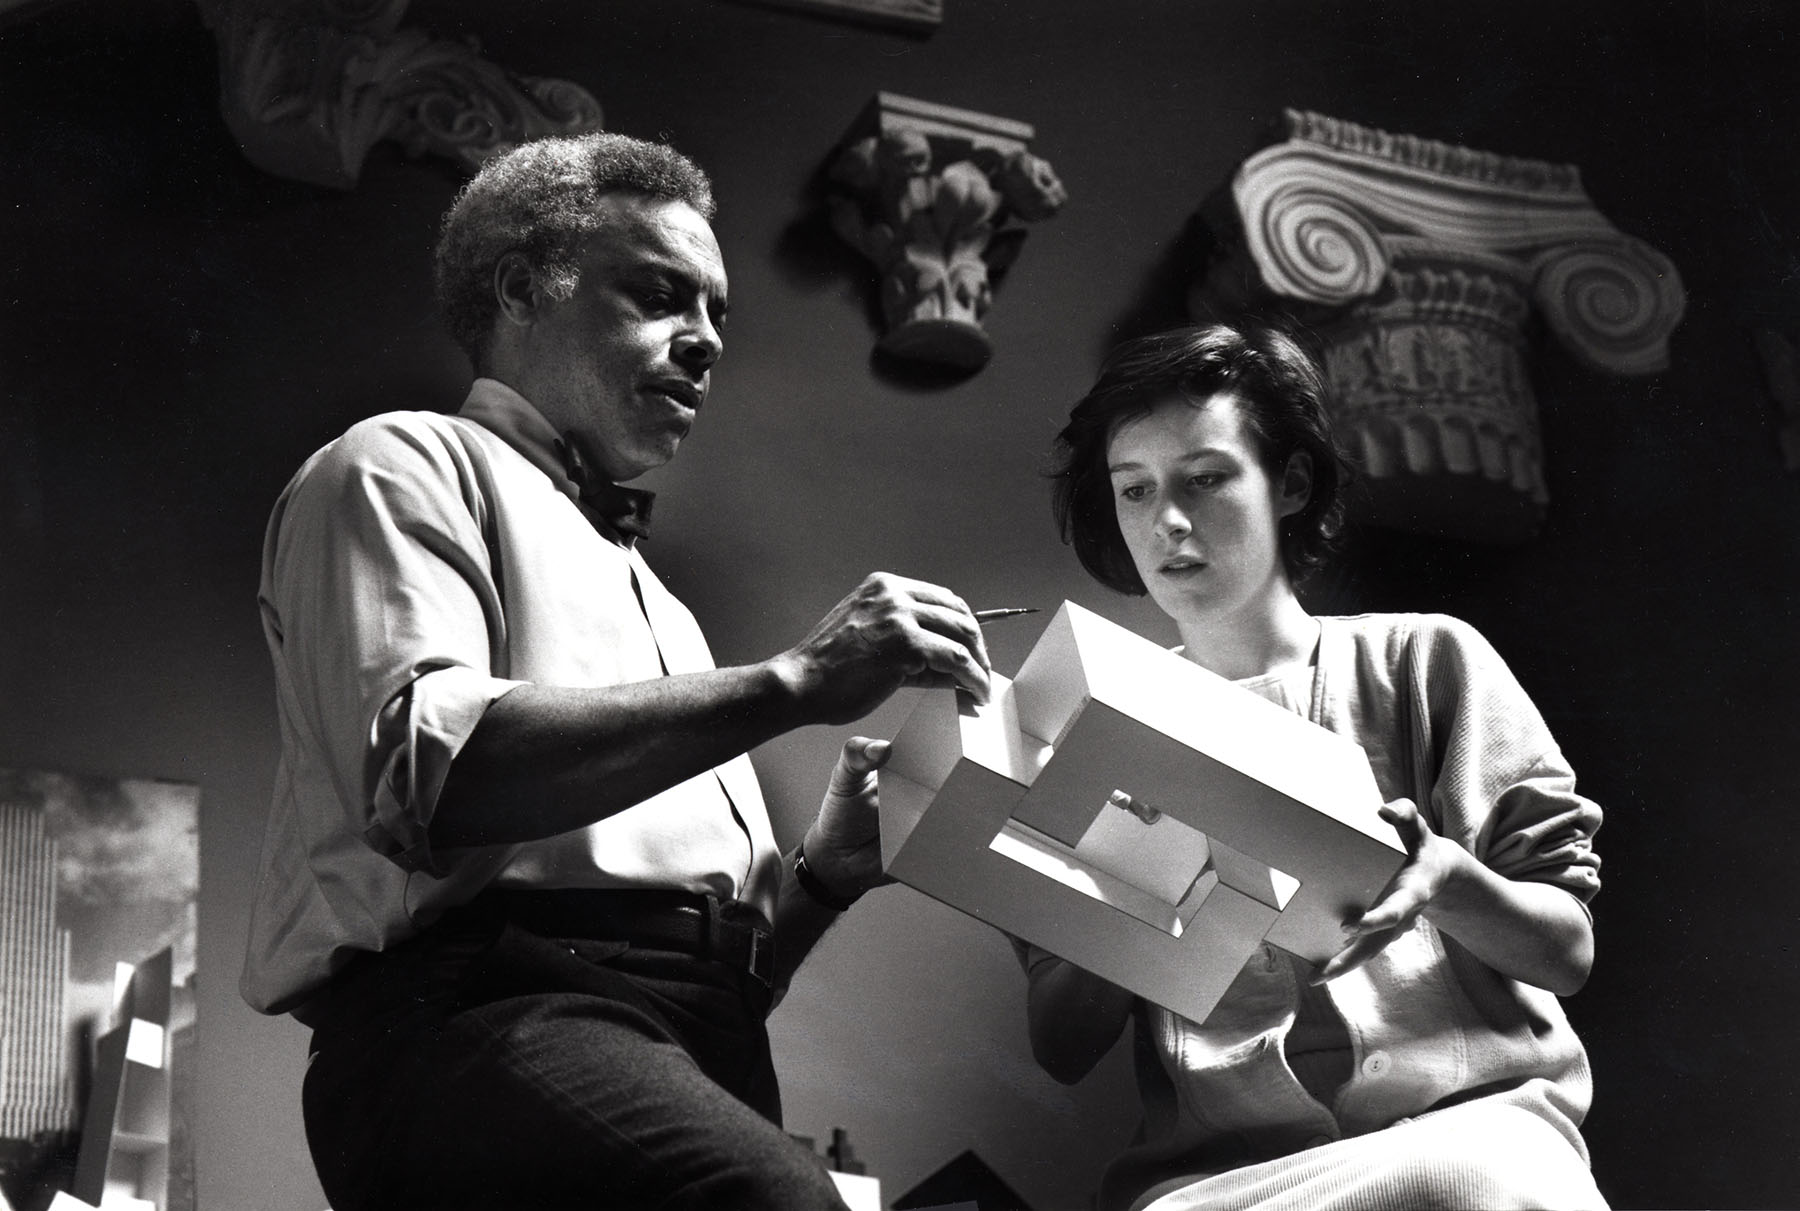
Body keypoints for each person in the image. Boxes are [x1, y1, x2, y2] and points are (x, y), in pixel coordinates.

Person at [239, 131, 993, 1211]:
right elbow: (435, 777)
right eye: (658, 294)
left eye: (719, 314)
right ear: (521, 291)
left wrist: (821, 875)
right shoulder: (397, 463)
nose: (705, 343)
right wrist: (794, 680)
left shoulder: (668, 609)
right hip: (475, 1020)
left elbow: (713, 973)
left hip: (673, 1039)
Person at [1024, 323, 1607, 1211]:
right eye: (1134, 490)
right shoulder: (1086, 727)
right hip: (1223, 1184)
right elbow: (1059, 1046)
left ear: (1290, 481)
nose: (1166, 521)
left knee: (1481, 1184)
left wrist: (1445, 879)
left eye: (1207, 478)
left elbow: (1566, 951)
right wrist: (1144, 897)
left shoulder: (1427, 663)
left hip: (1467, 1131)